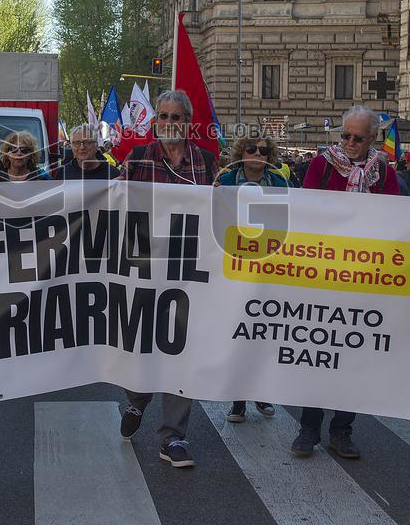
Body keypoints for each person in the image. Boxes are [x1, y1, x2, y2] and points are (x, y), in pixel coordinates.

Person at [117, 89, 218, 469]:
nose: (169, 123)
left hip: (189, 273)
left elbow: (217, 209)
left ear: (188, 122)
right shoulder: (140, 157)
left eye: (176, 117)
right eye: (163, 116)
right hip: (144, 268)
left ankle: (173, 437)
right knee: (144, 345)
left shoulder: (207, 162)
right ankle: (136, 400)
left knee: (181, 349)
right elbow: (111, 202)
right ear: (155, 121)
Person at [292, 105, 399, 461]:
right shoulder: (322, 165)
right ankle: (309, 428)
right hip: (322, 274)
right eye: (345, 136)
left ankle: (342, 430)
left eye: (358, 138)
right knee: (318, 353)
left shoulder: (383, 170)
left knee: (352, 355)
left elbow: (400, 216)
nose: (350, 143)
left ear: (372, 139)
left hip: (364, 277)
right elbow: (304, 209)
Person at [216, 135, 285, 424]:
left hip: (268, 266)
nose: (257, 153)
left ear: (270, 155)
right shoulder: (227, 178)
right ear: (241, 152)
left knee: (263, 334)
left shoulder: (280, 182)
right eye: (251, 148)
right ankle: (238, 400)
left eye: (264, 150)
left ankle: (262, 391)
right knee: (238, 333)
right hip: (233, 265)